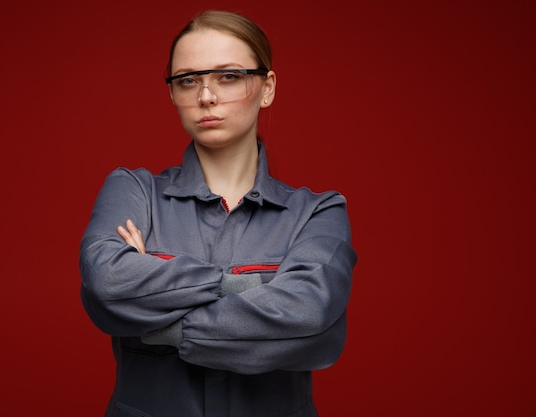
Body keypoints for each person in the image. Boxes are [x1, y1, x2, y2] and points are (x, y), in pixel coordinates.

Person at [79, 9, 357, 417]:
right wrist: (257, 289)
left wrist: (156, 316)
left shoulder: (319, 212)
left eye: (228, 76)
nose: (205, 96)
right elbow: (107, 282)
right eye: (188, 80)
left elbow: (310, 315)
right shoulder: (132, 189)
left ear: (267, 88)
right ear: (173, 93)